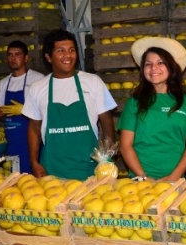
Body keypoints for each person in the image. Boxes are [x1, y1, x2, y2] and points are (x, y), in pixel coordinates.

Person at [22, 30, 117, 180]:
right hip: (52, 172)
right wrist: (33, 161)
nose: (68, 55)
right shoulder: (38, 88)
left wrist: (106, 158)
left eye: (72, 50)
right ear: (48, 57)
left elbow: (107, 121)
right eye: (61, 51)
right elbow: (34, 128)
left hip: (90, 171)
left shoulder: (93, 82)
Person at [118, 37, 186, 181]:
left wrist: (173, 177)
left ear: (171, 67)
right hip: (140, 181)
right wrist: (143, 177)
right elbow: (125, 146)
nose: (153, 68)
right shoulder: (134, 102)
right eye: (148, 64)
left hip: (175, 181)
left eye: (160, 63)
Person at [0, 40, 45, 174]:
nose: (13, 58)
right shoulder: (3, 83)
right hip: (12, 143)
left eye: (17, 54)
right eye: (10, 55)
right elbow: (2, 115)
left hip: (33, 143)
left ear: (26, 58)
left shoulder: (38, 80)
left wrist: (24, 110)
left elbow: (47, 111)